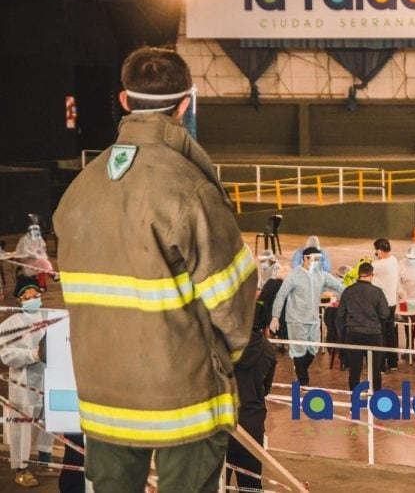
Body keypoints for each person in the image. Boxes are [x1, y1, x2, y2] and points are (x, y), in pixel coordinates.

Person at [53, 46, 259, 492]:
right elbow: (233, 302)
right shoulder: (190, 189)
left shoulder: (79, 189)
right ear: (186, 104)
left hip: (104, 400)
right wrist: (224, 362)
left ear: (124, 102)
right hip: (182, 402)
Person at [0, 277, 55, 488]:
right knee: (22, 426)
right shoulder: (10, 325)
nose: (33, 299)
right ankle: (21, 469)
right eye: (27, 296)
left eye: (36, 295)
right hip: (23, 383)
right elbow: (6, 355)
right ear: (19, 299)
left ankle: (44, 460)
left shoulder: (51, 318)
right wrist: (33, 354)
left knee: (48, 420)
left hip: (49, 379)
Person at [270, 246, 344, 385]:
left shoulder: (321, 275)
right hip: (295, 319)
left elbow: (339, 286)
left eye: (318, 259)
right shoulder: (294, 275)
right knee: (299, 351)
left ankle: (300, 368)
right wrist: (275, 316)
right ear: (305, 258)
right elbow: (281, 295)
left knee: (312, 350)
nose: (317, 262)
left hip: (313, 320)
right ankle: (304, 382)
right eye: (314, 259)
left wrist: (353, 293)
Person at [226, 298, 277, 492]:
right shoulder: (268, 350)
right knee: (251, 485)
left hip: (222, 423)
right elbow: (265, 389)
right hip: (252, 425)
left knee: (216, 483)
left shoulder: (222, 345)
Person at [337, 262, 389, 392]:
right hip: (373, 335)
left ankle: (355, 401)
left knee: (354, 370)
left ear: (359, 274)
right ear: (371, 275)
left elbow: (340, 313)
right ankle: (376, 400)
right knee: (375, 369)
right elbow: (384, 314)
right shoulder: (377, 292)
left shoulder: (348, 291)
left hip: (353, 334)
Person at [371, 238, 400, 372]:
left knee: (380, 334)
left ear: (378, 251)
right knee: (390, 333)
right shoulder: (394, 261)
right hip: (392, 302)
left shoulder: (379, 265)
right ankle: (393, 362)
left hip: (381, 304)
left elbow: (364, 269)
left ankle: (381, 365)